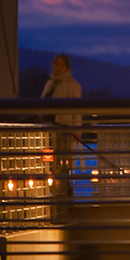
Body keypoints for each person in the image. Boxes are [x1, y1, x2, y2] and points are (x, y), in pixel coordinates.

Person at [41, 54, 83, 196]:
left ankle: (65, 193)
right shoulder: (50, 83)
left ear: (66, 67)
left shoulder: (73, 86)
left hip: (64, 130)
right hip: (48, 129)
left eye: (61, 65)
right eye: (56, 64)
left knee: (63, 164)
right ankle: (52, 191)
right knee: (49, 162)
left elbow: (77, 110)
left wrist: (76, 130)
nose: (58, 68)